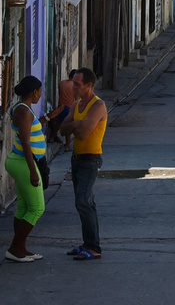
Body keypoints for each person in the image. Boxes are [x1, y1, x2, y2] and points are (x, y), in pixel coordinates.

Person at [59, 67, 108, 261]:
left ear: (89, 85)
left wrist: (75, 126)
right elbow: (63, 131)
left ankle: (94, 247)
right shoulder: (77, 105)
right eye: (73, 83)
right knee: (84, 203)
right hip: (77, 159)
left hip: (90, 160)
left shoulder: (98, 106)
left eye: (78, 84)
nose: (74, 88)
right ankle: (88, 243)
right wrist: (76, 124)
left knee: (83, 202)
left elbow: (82, 134)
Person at [5, 75, 46, 262]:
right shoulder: (23, 111)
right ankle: (14, 248)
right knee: (37, 208)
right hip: (23, 162)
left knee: (24, 206)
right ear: (33, 92)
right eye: (39, 91)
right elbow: (26, 143)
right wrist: (32, 170)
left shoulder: (25, 109)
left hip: (22, 161)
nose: (40, 95)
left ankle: (20, 248)